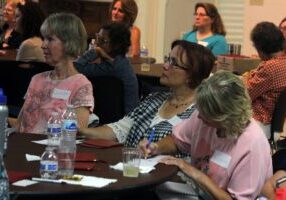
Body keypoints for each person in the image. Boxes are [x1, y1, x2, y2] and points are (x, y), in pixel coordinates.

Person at [140, 70, 272, 199]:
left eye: (206, 115)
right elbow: (176, 140)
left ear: (224, 117)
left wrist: (193, 172)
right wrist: (156, 147)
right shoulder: (202, 116)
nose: (199, 117)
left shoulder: (252, 144)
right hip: (196, 191)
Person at [79, 40, 215, 148]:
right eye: (168, 59)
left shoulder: (199, 114)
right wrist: (81, 131)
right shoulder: (154, 99)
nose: (165, 66)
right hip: (132, 171)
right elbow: (118, 129)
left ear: (192, 75)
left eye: (174, 63)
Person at [9, 13, 94, 134]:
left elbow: (75, 135)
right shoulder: (37, 79)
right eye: (43, 38)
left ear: (68, 42)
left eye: (50, 39)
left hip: (52, 151)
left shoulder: (81, 85)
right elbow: (19, 125)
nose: (43, 45)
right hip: (22, 148)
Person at [74, 22, 139, 115]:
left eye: (102, 40)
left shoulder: (114, 66)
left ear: (116, 45)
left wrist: (95, 51)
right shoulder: (120, 60)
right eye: (97, 38)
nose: (97, 43)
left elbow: (76, 67)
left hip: (127, 120)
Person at [242, 21, 286, 139]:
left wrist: (246, 78)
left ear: (260, 49)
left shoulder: (269, 67)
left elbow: (245, 94)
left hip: (259, 122)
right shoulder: (283, 62)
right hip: (273, 124)